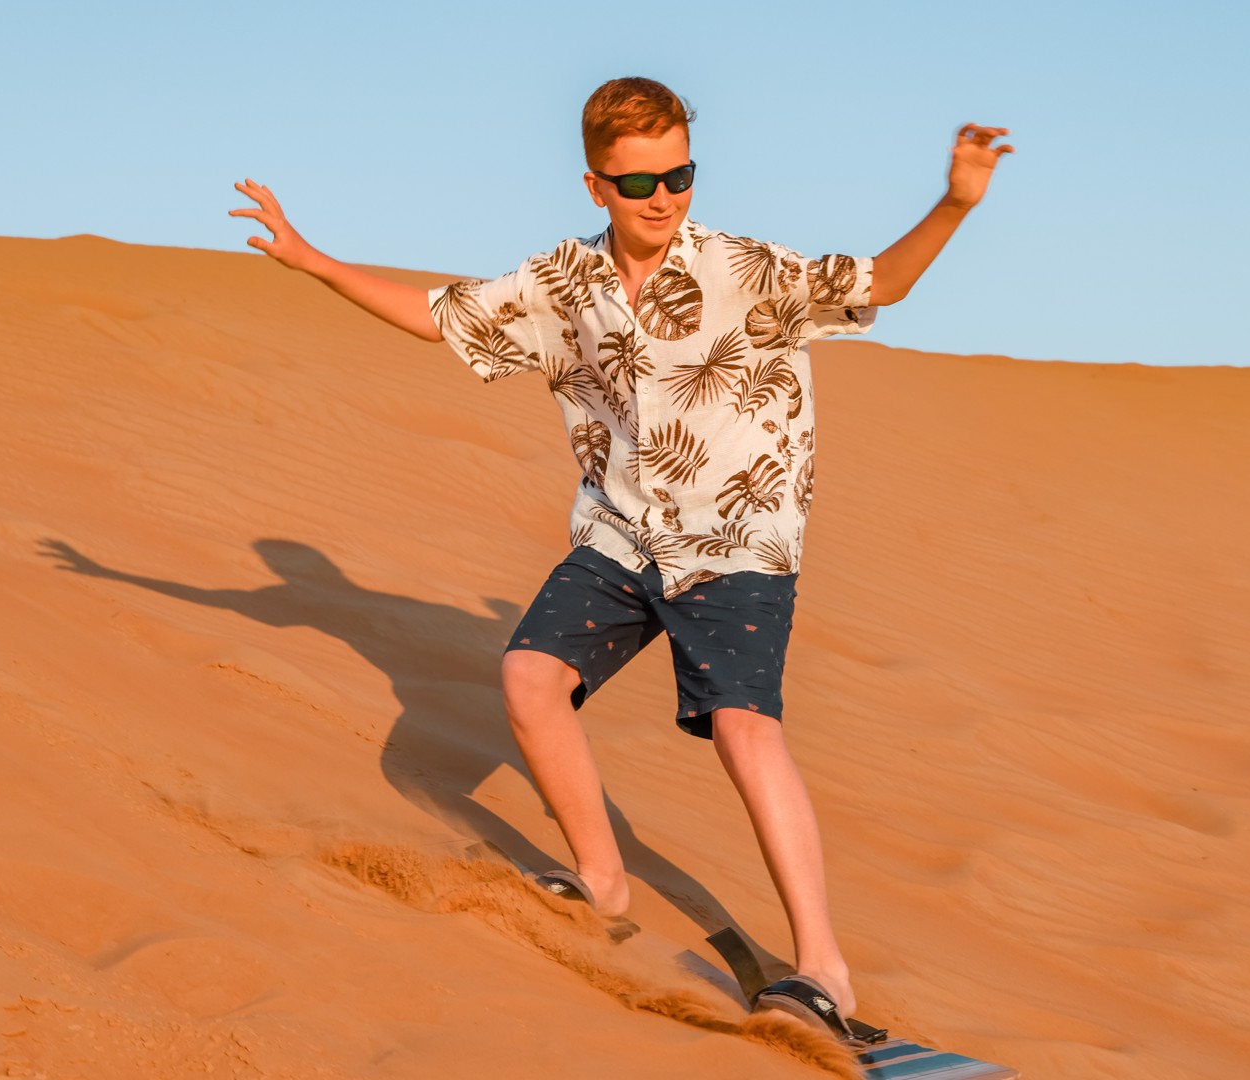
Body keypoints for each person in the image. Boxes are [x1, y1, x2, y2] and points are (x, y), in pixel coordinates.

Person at [230, 76, 1010, 1043]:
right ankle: (601, 879)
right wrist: (311, 259)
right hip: (622, 533)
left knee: (743, 729)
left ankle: (826, 971)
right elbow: (443, 315)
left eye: (680, 174)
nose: (665, 197)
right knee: (528, 677)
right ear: (597, 185)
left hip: (737, 537)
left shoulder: (743, 268)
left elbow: (879, 284)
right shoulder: (563, 283)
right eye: (640, 182)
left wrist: (955, 203)